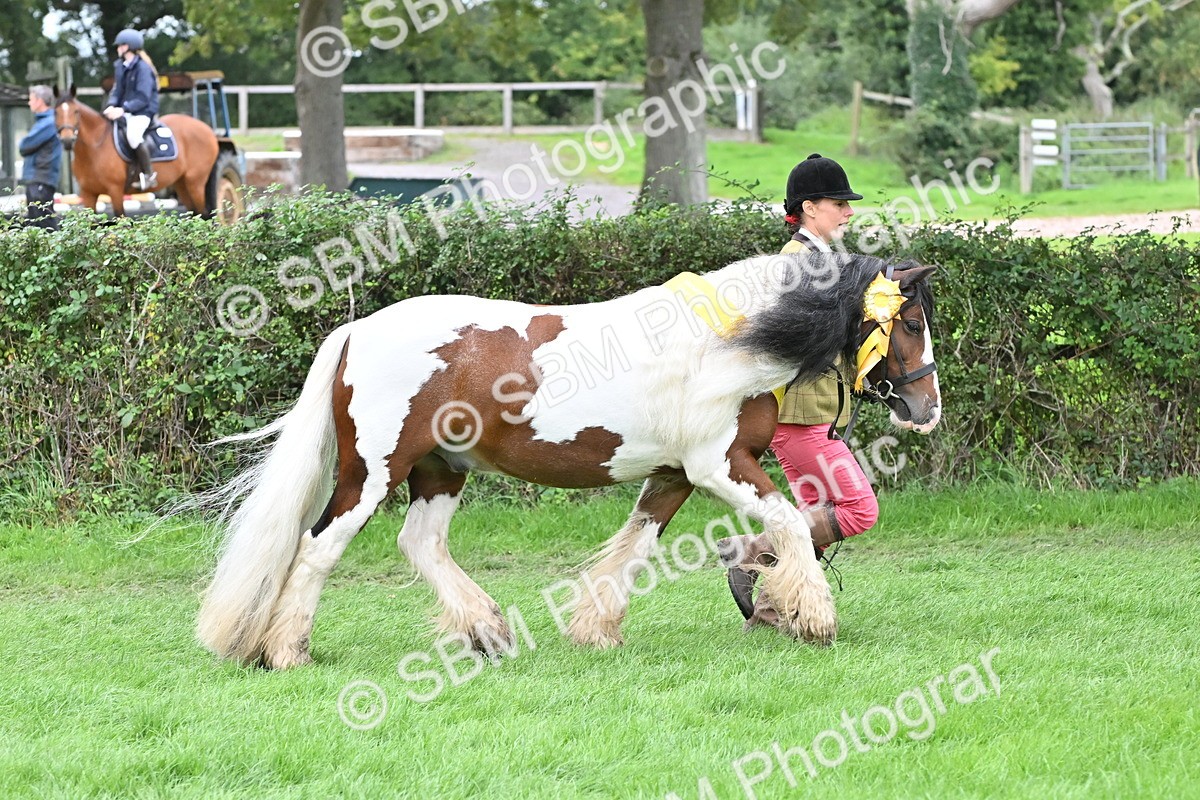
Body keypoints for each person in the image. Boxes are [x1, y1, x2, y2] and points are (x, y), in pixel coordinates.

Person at [722, 153, 878, 627]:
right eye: (839, 203)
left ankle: (769, 607)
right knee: (858, 509)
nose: (848, 212)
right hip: (800, 420)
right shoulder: (797, 264)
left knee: (821, 516)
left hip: (810, 417)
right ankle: (754, 551)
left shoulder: (820, 260)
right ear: (810, 208)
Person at [103, 28, 159, 190]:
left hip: (143, 111)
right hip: (126, 110)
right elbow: (117, 90)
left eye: (121, 45)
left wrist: (123, 109)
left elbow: (143, 97)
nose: (118, 48)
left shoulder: (143, 69)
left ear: (129, 47)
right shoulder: (121, 66)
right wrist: (111, 105)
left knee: (133, 136)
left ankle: (149, 176)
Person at [19, 85, 62, 230]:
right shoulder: (43, 122)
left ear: (39, 101)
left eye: (31, 99)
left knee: (45, 224)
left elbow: (24, 146)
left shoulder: (49, 122)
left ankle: (59, 252)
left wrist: (24, 144)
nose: (29, 103)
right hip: (37, 179)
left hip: (41, 179)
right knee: (35, 224)